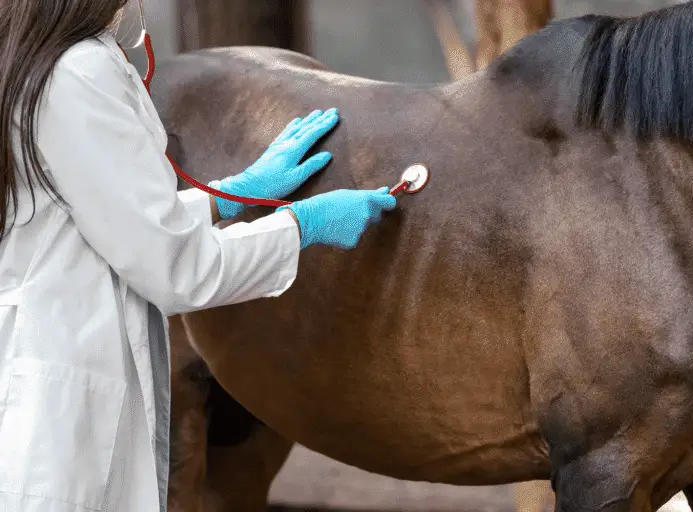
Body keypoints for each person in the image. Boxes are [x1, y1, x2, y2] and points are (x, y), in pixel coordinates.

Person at [0, 1, 397, 511]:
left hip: (43, 393)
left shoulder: (32, 61)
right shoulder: (80, 70)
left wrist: (226, 196)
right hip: (63, 425)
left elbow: (99, 221)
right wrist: (302, 225)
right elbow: (175, 268)